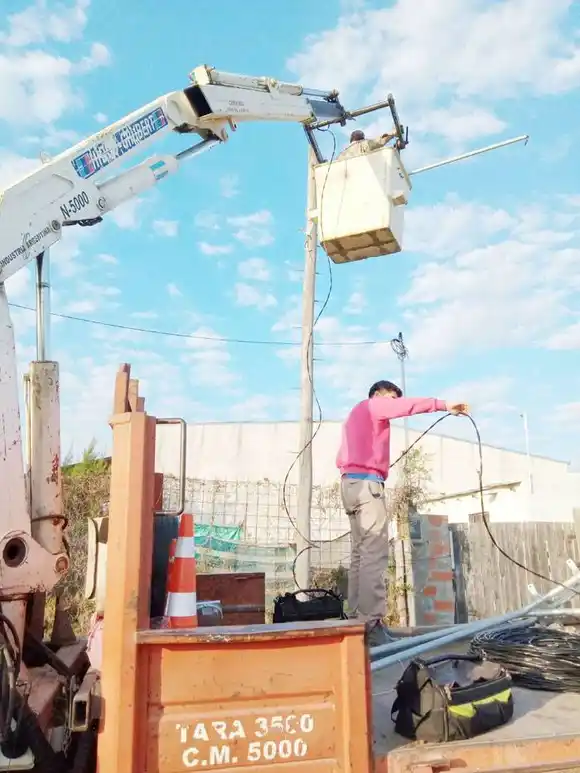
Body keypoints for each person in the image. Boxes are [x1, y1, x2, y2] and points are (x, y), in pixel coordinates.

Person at [336, 379, 469, 647]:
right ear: (378, 394)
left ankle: (356, 621)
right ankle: (371, 624)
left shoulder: (355, 414)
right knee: (373, 554)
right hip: (367, 486)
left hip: (350, 484)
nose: (394, 404)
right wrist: (443, 405)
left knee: (360, 555)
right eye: (392, 398)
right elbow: (408, 407)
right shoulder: (373, 406)